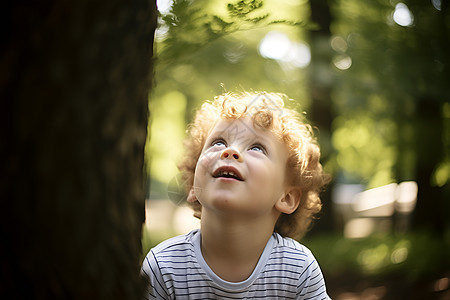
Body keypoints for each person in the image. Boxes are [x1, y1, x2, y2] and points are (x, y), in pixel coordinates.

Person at [142, 91, 331, 299]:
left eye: (257, 147)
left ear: (286, 197)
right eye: (218, 142)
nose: (230, 151)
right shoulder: (163, 266)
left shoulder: (298, 270)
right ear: (193, 186)